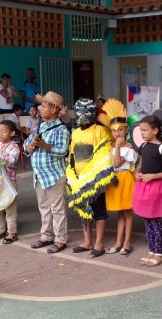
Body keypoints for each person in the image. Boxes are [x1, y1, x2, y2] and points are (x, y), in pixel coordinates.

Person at [66, 98, 115, 258]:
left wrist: (92, 176)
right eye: (79, 111)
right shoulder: (75, 132)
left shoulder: (100, 131)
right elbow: (72, 155)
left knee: (99, 211)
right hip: (78, 181)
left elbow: (104, 154)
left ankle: (99, 244)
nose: (82, 115)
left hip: (94, 182)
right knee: (83, 210)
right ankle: (87, 241)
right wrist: (72, 174)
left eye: (86, 112)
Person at [25, 92, 70, 254]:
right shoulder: (40, 125)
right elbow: (27, 143)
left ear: (53, 109)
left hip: (54, 175)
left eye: (43, 106)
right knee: (44, 206)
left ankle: (60, 238)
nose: (39, 108)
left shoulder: (61, 129)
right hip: (39, 175)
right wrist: (29, 147)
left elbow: (62, 151)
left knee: (57, 208)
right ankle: (46, 235)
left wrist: (43, 145)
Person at [133, 115, 162, 267]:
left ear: (155, 130)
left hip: (156, 187)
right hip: (144, 185)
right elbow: (141, 165)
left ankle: (159, 254)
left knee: (155, 221)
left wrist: (153, 176)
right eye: (140, 130)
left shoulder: (161, 148)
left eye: (145, 130)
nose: (142, 133)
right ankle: (151, 251)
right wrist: (138, 173)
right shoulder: (144, 147)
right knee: (147, 221)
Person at [104, 116, 136, 256]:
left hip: (125, 179)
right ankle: (118, 242)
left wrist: (117, 147)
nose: (117, 133)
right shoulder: (108, 146)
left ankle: (127, 243)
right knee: (119, 213)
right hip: (114, 180)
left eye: (120, 129)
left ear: (126, 130)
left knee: (127, 213)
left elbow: (117, 163)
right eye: (114, 130)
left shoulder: (128, 147)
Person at [0, 120, 21, 244]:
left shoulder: (14, 146)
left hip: (8, 181)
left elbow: (11, 161)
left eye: (4, 131)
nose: (0, 134)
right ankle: (0, 230)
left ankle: (12, 233)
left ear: (12, 133)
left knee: (10, 207)